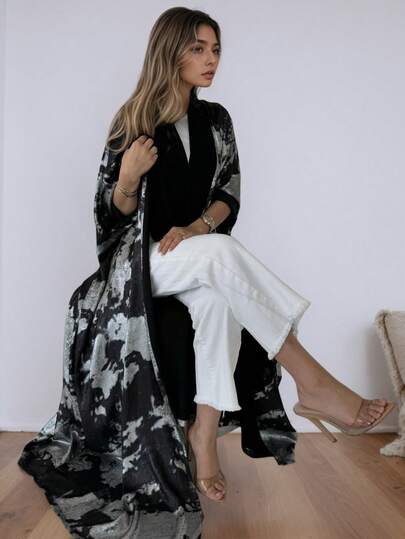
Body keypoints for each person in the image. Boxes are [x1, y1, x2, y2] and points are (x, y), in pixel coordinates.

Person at [17, 7, 396, 538]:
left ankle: (204, 434)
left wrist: (197, 228)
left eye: (215, 49)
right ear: (170, 52)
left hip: (196, 252)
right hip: (139, 265)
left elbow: (229, 192)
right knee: (220, 253)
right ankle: (311, 380)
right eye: (198, 48)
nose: (211, 59)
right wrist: (128, 179)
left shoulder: (216, 120)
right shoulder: (132, 121)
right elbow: (108, 218)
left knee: (218, 295)